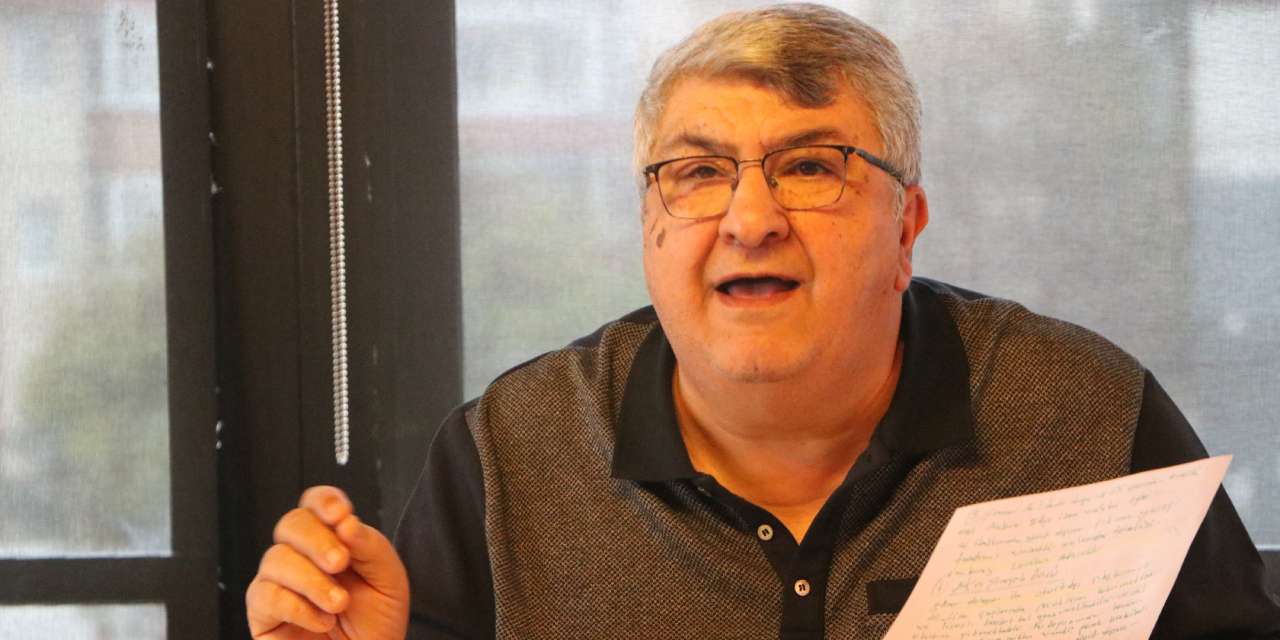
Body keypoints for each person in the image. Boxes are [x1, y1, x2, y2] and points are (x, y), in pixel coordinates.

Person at [245, 4, 1280, 638]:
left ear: (906, 225)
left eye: (811, 166)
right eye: (698, 172)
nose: (749, 219)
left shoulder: (1087, 416)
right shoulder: (507, 456)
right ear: (649, 226)